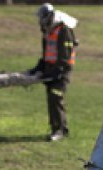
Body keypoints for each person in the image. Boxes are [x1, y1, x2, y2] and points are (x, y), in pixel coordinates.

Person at [28, 3, 77, 142]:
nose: (40, 21)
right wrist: (38, 68)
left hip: (61, 71)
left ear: (47, 16)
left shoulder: (63, 30)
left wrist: (58, 71)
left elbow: (65, 55)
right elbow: (46, 55)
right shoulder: (48, 31)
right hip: (50, 70)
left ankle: (59, 130)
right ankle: (58, 128)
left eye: (41, 18)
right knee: (51, 98)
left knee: (56, 97)